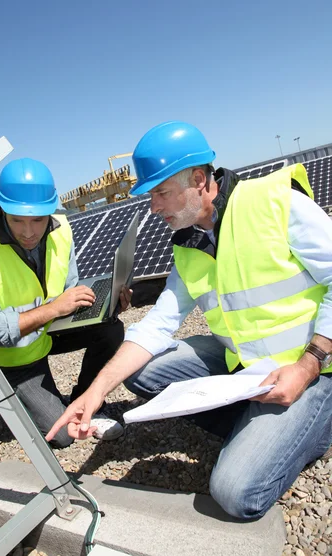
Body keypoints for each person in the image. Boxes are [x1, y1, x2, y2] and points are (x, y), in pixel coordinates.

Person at [46, 121, 332, 519]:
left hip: (311, 364)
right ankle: (259, 425)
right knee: (143, 371)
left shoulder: (276, 202)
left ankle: (314, 424)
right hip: (246, 363)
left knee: (234, 493)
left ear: (200, 179)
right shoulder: (188, 243)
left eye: (161, 193)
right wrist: (94, 394)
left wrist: (308, 364)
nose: (153, 207)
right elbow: (157, 325)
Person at [0, 157, 131, 447]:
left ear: (50, 211)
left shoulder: (62, 230)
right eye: (17, 220)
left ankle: (83, 402)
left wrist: (107, 304)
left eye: (37, 219)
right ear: (1, 208)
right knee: (62, 437)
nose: (28, 232)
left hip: (50, 331)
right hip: (16, 355)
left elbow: (69, 290)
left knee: (111, 327)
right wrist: (52, 309)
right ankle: (27, 402)